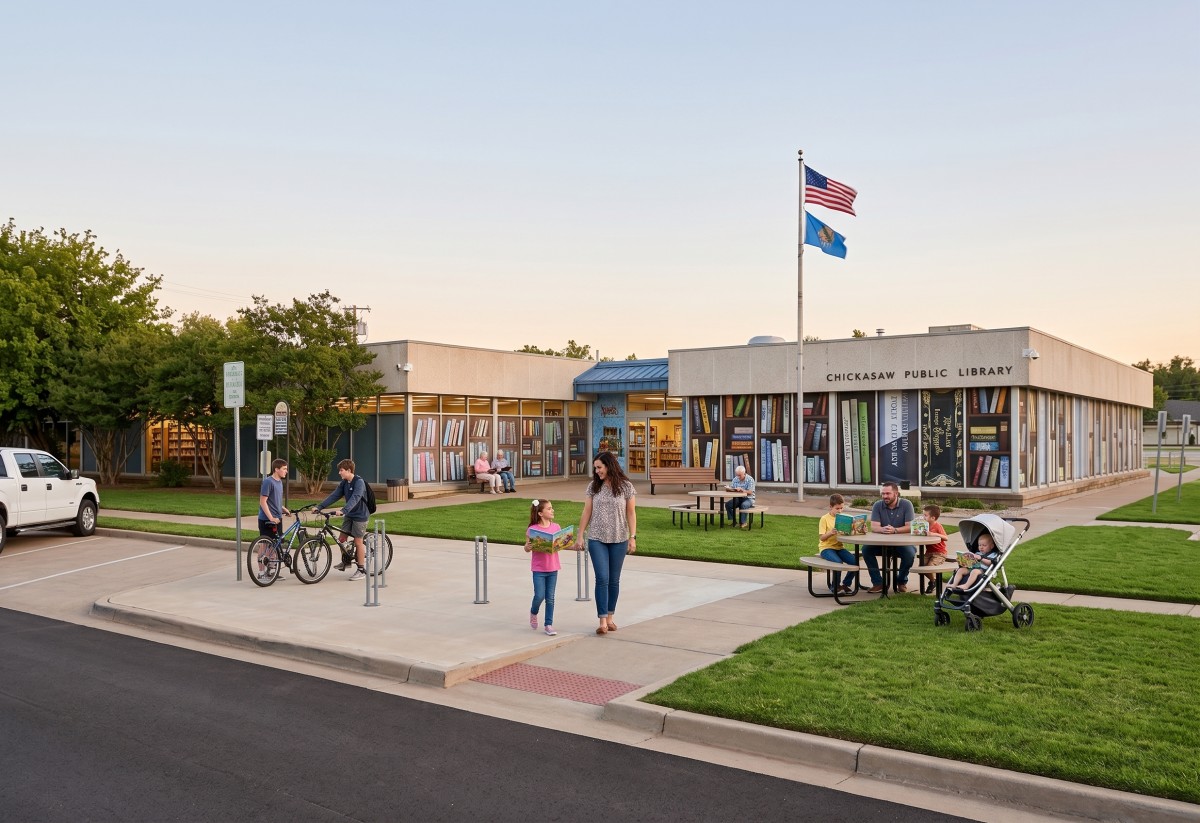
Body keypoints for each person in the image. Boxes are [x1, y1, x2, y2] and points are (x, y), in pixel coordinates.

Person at [573, 451, 637, 635]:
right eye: (596, 468)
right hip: (596, 538)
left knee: (614, 580)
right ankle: (602, 621)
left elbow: (631, 513)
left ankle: (610, 618)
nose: (597, 471)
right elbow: (586, 512)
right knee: (602, 578)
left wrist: (632, 537)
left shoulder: (626, 487)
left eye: (599, 467)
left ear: (609, 466)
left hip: (619, 538)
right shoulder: (594, 486)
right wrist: (580, 535)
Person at [316, 458, 371, 581]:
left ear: (349, 470)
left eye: (341, 470)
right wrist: (320, 506)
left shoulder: (359, 482)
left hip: (360, 515)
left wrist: (343, 510)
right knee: (341, 539)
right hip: (350, 515)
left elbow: (355, 498)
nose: (339, 473)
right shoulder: (345, 483)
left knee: (358, 541)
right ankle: (346, 562)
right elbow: (334, 496)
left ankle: (361, 569)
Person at [864, 481, 916, 593]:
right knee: (866, 549)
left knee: (910, 554)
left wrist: (895, 530)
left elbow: (910, 526)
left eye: (888, 493)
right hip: (881, 542)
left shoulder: (906, 504)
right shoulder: (878, 505)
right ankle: (878, 582)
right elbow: (874, 526)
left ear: (896, 494)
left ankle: (901, 581)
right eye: (883, 494)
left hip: (902, 542)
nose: (885, 496)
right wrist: (882, 529)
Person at [524, 499, 564, 636]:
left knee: (550, 598)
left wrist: (573, 545)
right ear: (540, 513)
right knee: (539, 595)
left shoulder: (556, 527)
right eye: (549, 508)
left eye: (552, 508)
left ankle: (548, 624)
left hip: (553, 568)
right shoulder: (532, 529)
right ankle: (533, 612)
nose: (552, 510)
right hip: (539, 569)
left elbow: (561, 544)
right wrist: (527, 547)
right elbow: (527, 547)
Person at [256, 458, 290, 580]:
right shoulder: (268, 482)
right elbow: (263, 501)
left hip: (277, 519)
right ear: (276, 469)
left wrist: (283, 509)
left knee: (275, 545)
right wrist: (271, 518)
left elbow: (274, 501)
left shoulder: (279, 482)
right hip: (266, 519)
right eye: (284, 469)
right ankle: (261, 573)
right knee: (264, 546)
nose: (286, 471)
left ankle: (271, 571)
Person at [817, 493, 857, 594]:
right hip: (826, 548)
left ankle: (845, 584)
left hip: (839, 547)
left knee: (855, 562)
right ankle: (835, 587)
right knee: (838, 563)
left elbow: (850, 533)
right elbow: (822, 538)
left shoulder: (844, 518)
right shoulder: (824, 519)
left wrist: (859, 529)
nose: (839, 511)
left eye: (841, 508)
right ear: (831, 507)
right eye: (837, 508)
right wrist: (831, 533)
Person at [920, 504, 949, 589]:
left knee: (929, 568)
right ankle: (934, 581)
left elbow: (946, 538)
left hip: (939, 553)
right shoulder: (924, 525)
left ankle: (933, 582)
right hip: (929, 552)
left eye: (925, 515)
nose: (923, 517)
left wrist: (934, 534)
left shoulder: (938, 526)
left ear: (933, 518)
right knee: (921, 568)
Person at [724, 465, 756, 529]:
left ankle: (743, 522)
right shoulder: (735, 479)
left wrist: (742, 490)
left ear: (744, 473)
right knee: (728, 504)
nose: (738, 477)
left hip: (748, 498)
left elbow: (750, 492)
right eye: (737, 475)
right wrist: (728, 488)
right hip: (738, 498)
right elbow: (732, 488)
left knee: (743, 505)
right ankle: (734, 521)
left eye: (739, 475)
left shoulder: (750, 479)